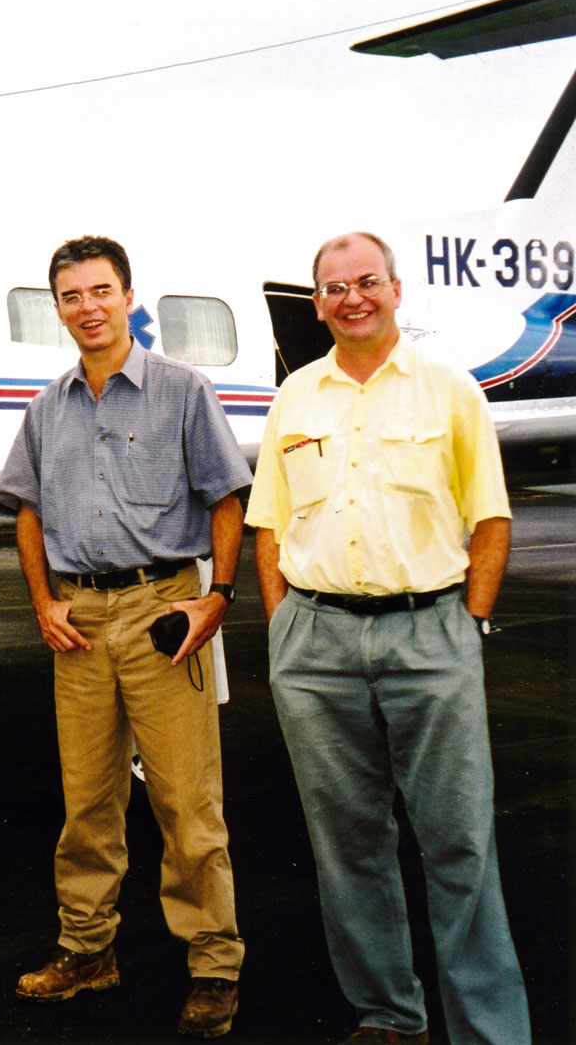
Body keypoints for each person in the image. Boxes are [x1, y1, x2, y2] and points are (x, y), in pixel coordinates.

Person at [245, 232, 530, 1045]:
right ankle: (388, 1016)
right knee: (347, 845)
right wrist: (285, 625)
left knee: (459, 844)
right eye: (332, 288)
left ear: (396, 290)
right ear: (319, 302)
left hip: (429, 634)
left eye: (365, 281)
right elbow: (270, 522)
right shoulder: (296, 396)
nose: (350, 298)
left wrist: (466, 620)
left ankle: (489, 1030)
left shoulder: (449, 390)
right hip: (317, 644)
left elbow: (491, 517)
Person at [0, 235, 249, 1038]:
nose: (87, 307)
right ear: (58, 307)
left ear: (129, 297)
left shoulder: (182, 390)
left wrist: (217, 600)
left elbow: (226, 495)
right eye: (70, 296)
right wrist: (43, 601)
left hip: (164, 609)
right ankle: (87, 948)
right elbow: (26, 507)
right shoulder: (47, 405)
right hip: (81, 622)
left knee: (186, 801)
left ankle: (212, 964)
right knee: (88, 801)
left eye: (100, 291)